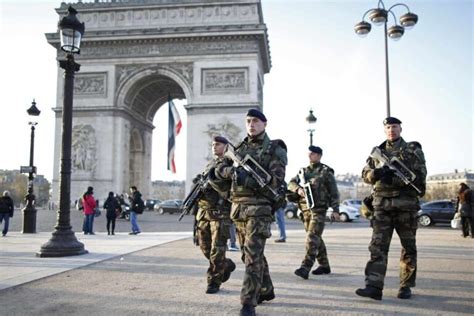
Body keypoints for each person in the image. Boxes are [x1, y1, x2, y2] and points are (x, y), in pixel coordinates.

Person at [215, 109, 287, 316]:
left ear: (265, 123)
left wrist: (247, 178)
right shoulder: (238, 149)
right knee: (249, 254)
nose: (251, 125)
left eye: (255, 121)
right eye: (248, 121)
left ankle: (248, 303)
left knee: (253, 256)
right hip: (239, 209)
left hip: (259, 209)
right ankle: (267, 290)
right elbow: (220, 170)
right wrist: (229, 172)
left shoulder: (275, 148)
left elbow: (276, 179)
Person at [356, 117, 427, 301]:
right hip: (382, 207)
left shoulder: (413, 151)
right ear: (384, 130)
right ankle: (373, 286)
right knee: (377, 248)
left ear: (400, 129)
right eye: (388, 127)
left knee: (408, 248)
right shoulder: (377, 152)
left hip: (406, 208)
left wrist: (393, 180)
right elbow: (365, 174)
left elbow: (419, 178)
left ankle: (405, 286)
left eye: (394, 127)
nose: (391, 130)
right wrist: (377, 173)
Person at [288, 145, 340, 279]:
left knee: (312, 238)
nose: (310, 156)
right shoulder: (303, 171)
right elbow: (291, 183)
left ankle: (305, 267)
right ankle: (324, 265)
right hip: (305, 210)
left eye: (313, 154)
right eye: (309, 153)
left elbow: (334, 192)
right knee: (316, 238)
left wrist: (335, 210)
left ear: (319, 155)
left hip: (319, 210)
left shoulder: (326, 172)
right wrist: (298, 189)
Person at [195, 136, 236, 294]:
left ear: (226, 146)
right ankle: (226, 265)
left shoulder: (230, 163)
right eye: (212, 144)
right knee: (205, 247)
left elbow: (231, 187)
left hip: (220, 213)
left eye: (217, 144)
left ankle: (214, 281)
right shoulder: (209, 164)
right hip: (204, 212)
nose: (214, 146)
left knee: (217, 249)